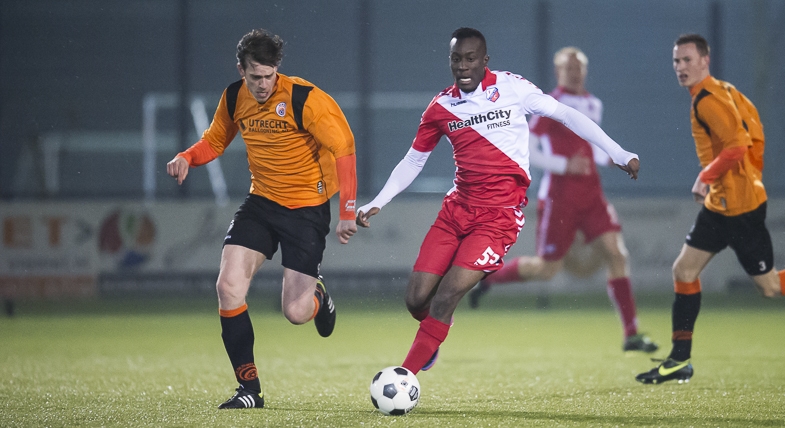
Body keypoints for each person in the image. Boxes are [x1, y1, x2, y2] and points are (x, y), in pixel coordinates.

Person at [356, 28, 639, 376]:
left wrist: (619, 153)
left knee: (445, 297)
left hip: (498, 219)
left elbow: (566, 115)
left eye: (470, 58)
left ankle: (404, 377)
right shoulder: (440, 107)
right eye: (456, 59)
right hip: (455, 211)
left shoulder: (513, 88)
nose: (463, 66)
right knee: (417, 300)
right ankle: (437, 328)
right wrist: (378, 202)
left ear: (484, 60)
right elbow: (414, 160)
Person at [166, 29, 358, 408]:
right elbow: (216, 140)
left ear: (277, 70)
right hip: (262, 202)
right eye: (255, 77)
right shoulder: (235, 96)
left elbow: (344, 146)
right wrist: (187, 156)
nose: (263, 85)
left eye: (270, 76)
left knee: (295, 313)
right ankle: (249, 390)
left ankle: (318, 294)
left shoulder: (304, 98)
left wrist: (347, 210)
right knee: (228, 287)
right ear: (241, 70)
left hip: (307, 208)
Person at [467, 47, 658, 354]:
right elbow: (527, 147)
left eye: (578, 67)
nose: (574, 72)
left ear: (585, 70)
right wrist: (564, 165)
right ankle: (489, 278)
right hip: (560, 197)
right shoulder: (549, 104)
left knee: (617, 254)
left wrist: (615, 159)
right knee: (547, 269)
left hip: (592, 194)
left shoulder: (594, 104)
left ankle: (631, 333)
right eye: (568, 68)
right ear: (558, 73)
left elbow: (592, 148)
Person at [635, 34, 785, 384]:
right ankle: (678, 360)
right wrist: (743, 179)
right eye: (676, 61)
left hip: (741, 210)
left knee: (769, 288)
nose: (680, 67)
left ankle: (679, 359)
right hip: (722, 206)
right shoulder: (726, 90)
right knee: (684, 271)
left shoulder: (707, 100)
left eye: (687, 60)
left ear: (705, 60)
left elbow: (737, 145)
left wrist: (707, 176)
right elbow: (756, 134)